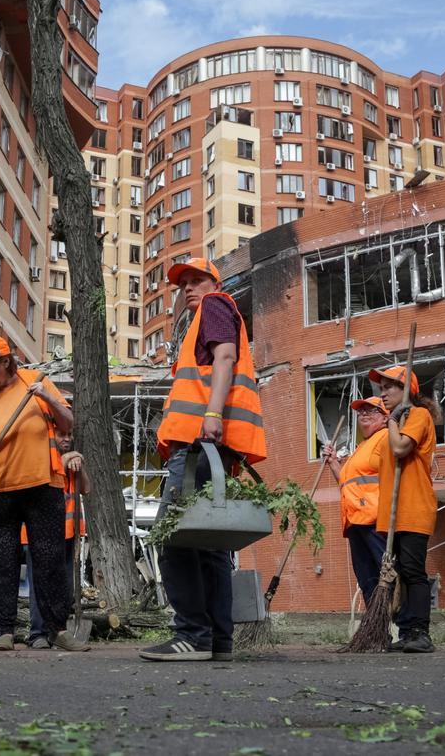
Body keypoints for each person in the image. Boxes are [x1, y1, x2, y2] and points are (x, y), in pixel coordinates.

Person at [142, 258, 266, 662]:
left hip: (198, 446)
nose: (189, 289)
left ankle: (193, 634)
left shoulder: (214, 305)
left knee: (173, 538)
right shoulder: (209, 315)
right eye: (183, 285)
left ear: (214, 282)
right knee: (208, 544)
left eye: (197, 280)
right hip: (211, 447)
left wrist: (212, 415)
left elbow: (226, 358)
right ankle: (217, 639)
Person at [0, 335, 89, 652]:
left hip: (42, 485)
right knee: (2, 560)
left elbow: (68, 422)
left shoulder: (35, 382)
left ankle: (57, 629)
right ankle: (2, 630)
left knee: (49, 558)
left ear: (6, 361)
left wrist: (48, 397)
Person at [370, 364, 440, 654]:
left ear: (407, 390)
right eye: (381, 387)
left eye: (389, 387)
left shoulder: (419, 416)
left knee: (413, 571)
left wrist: (393, 421)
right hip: (393, 513)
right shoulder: (395, 421)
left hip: (413, 508)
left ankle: (421, 633)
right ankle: (408, 631)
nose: (382, 393)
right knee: (398, 573)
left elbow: (401, 448)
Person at [322, 397, 396, 609]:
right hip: (355, 522)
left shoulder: (385, 438)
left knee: (385, 577)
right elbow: (347, 483)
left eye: (371, 410)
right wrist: (334, 462)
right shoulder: (362, 447)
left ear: (385, 417)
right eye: (361, 411)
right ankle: (377, 629)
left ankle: (400, 625)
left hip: (374, 521)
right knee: (367, 579)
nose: (363, 413)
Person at [23, 425, 89, 648]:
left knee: (64, 586)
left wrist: (79, 467)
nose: (67, 439)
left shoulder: (72, 463)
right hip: (39, 533)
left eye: (70, 435)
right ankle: (37, 633)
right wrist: (65, 459)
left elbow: (86, 489)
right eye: (62, 435)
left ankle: (57, 632)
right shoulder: (39, 458)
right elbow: (42, 481)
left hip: (67, 532)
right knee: (40, 584)